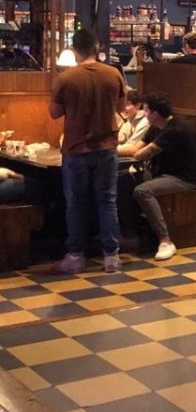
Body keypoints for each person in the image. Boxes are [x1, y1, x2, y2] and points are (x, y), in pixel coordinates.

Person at [49, 27, 128, 274]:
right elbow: (122, 107)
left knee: (76, 203)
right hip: (107, 148)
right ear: (97, 48)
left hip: (75, 148)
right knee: (108, 202)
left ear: (74, 50)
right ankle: (111, 257)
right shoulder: (114, 74)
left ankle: (75, 256)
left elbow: (54, 113)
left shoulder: (66, 78)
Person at [131, 91, 196, 260]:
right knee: (126, 180)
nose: (143, 114)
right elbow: (135, 148)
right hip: (163, 174)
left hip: (183, 179)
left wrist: (108, 149)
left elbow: (142, 154)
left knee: (142, 191)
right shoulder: (156, 127)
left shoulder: (175, 129)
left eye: (146, 111)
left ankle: (165, 240)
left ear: (155, 114)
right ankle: (134, 235)